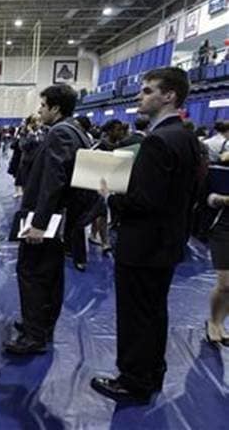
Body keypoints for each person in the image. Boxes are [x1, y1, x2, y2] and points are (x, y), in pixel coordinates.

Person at [91, 67, 201, 403]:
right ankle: (151, 373)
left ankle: (133, 380)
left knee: (136, 315)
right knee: (153, 312)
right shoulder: (186, 136)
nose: (140, 96)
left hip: (143, 244)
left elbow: (143, 202)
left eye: (148, 90)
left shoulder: (157, 141)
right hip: (167, 241)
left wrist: (111, 195)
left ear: (169, 96)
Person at [4, 83, 85, 355]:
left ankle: (33, 335)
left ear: (56, 108)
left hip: (47, 219)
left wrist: (39, 223)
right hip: (61, 217)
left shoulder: (60, 133)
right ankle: (40, 325)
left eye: (42, 106)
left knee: (32, 274)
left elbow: (54, 180)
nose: (39, 111)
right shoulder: (76, 131)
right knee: (49, 275)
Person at [205, 191, 229, 346]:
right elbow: (210, 199)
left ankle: (220, 322)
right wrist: (225, 200)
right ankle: (213, 321)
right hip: (225, 231)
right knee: (225, 284)